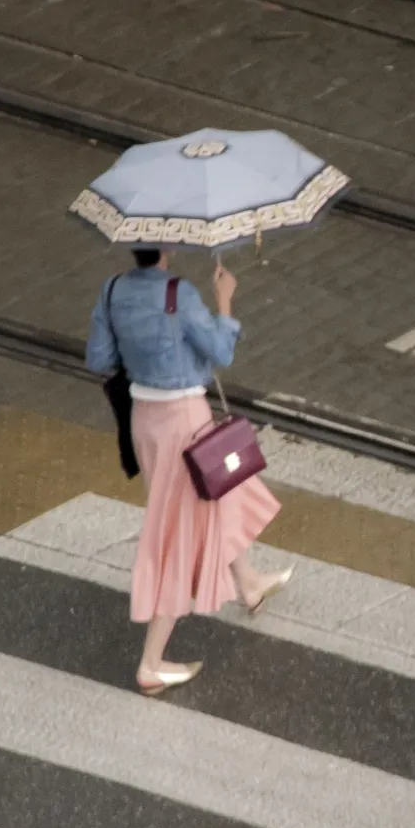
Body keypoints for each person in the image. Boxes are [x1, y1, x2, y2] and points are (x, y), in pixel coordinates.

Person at [86, 248, 292, 697]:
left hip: (145, 422)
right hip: (184, 419)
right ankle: (151, 662)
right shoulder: (180, 294)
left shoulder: (113, 290)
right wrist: (225, 302)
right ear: (169, 248)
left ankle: (249, 582)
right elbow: (221, 351)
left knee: (215, 494)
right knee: (181, 530)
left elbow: (99, 358)